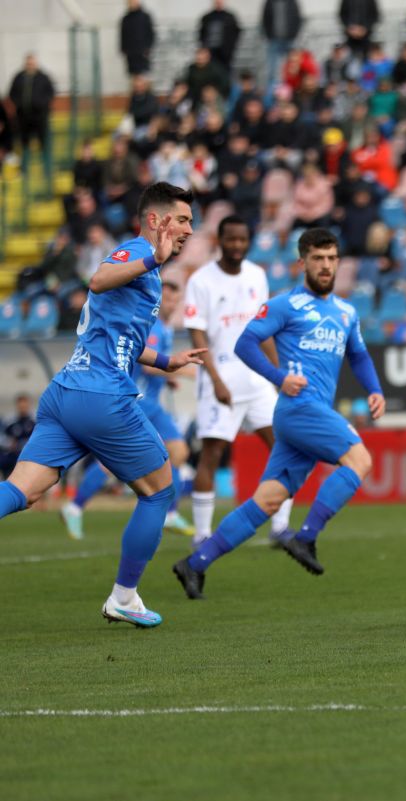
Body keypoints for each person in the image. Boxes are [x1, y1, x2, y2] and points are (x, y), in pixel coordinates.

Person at [0, 183, 204, 628]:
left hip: (66, 393)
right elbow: (97, 279)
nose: (190, 227)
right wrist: (153, 257)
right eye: (183, 219)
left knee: (22, 491)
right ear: (157, 220)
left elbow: (122, 339)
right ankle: (124, 597)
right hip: (101, 395)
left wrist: (167, 361)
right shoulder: (136, 254)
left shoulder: (144, 267)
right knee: (159, 490)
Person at [172, 228, 385, 598]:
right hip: (300, 408)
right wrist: (278, 377)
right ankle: (306, 537)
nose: (326, 265)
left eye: (332, 258)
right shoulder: (285, 304)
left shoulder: (346, 311)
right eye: (318, 258)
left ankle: (195, 562)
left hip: (306, 416)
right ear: (302, 263)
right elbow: (245, 343)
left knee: (268, 500)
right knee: (360, 459)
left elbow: (359, 355)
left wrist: (375, 389)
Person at [184, 215, 294, 550]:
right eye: (230, 239)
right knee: (212, 454)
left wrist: (278, 376)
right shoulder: (201, 280)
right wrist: (215, 379)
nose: (236, 246)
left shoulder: (257, 276)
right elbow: (197, 335)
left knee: (284, 449)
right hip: (222, 380)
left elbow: (263, 331)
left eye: (242, 240)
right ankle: (202, 534)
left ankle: (280, 527)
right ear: (219, 241)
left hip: (257, 379)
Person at [60, 280, 196, 540]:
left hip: (151, 404)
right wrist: (183, 370)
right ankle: (74, 507)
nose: (169, 303)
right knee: (115, 462)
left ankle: (170, 513)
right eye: (165, 298)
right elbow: (145, 365)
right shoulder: (154, 327)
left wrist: (168, 379)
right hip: (137, 400)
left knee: (178, 451)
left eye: (172, 300)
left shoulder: (165, 328)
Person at [8, 54, 55, 186]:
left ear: (36, 63)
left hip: (40, 118)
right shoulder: (19, 77)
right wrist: (19, 104)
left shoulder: (43, 77)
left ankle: (47, 172)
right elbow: (12, 94)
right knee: (25, 146)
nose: (30, 65)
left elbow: (51, 93)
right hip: (24, 119)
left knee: (44, 145)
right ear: (25, 64)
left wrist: (41, 104)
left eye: (32, 63)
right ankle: (24, 172)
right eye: (28, 63)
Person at [261, 0, 303, 92]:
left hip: (290, 40)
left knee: (292, 68)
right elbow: (265, 19)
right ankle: (272, 92)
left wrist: (294, 34)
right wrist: (269, 36)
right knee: (273, 69)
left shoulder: (292, 2)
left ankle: (292, 90)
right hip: (274, 41)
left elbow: (298, 18)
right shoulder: (269, 2)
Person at [198, 0, 241, 71]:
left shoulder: (230, 17)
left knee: (225, 72)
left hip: (225, 52)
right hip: (210, 52)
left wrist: (231, 46)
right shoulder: (207, 17)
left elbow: (236, 32)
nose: (218, 3)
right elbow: (202, 34)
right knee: (211, 71)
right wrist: (204, 48)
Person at [0, 394, 35, 478]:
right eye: (21, 405)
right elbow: (2, 438)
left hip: (30, 458)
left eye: (25, 405)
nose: (23, 407)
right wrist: (9, 443)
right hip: (12, 458)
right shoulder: (10, 421)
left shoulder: (34, 421)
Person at [120, 0, 156, 77]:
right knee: (133, 74)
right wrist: (124, 49)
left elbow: (151, 33)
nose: (132, 4)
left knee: (143, 74)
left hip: (142, 52)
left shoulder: (145, 17)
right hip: (131, 53)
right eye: (130, 2)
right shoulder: (126, 18)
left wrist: (148, 48)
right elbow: (123, 35)